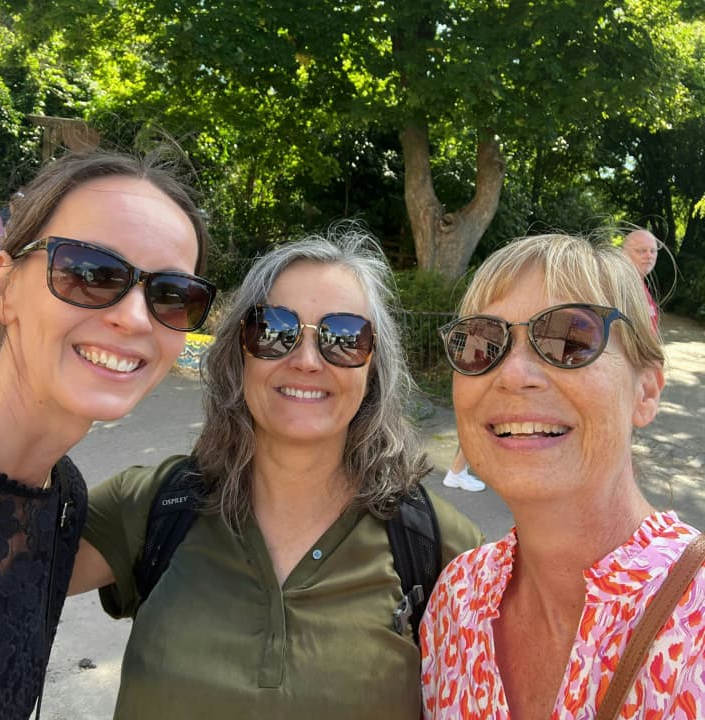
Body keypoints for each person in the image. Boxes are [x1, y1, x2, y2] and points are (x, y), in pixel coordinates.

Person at [69, 225, 484, 719]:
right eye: (274, 329)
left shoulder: (439, 548)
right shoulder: (151, 505)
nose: (306, 361)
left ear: (374, 368)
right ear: (239, 352)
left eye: (344, 337)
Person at [422, 233, 704, 719]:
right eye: (483, 344)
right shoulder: (456, 599)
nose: (513, 374)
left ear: (646, 392)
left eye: (572, 340)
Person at [0, 152, 216, 720]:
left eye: (171, 295)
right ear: (5, 285)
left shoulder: (62, 500)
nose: (135, 318)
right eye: (89, 273)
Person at [622, 227, 659, 331]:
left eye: (653, 251)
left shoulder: (641, 284)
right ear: (623, 253)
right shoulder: (619, 288)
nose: (649, 256)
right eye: (641, 251)